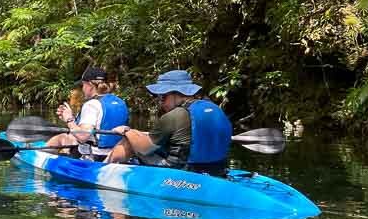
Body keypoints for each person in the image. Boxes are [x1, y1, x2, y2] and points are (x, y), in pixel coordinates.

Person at [104, 69, 233, 174]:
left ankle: (103, 170)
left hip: (181, 171)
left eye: (163, 96)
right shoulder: (216, 109)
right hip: (218, 170)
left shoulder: (174, 116)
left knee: (130, 142)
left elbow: (144, 148)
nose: (160, 102)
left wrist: (128, 132)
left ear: (176, 93)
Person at [44, 67, 129, 161]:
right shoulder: (120, 102)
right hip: (118, 153)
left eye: (83, 85)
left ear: (90, 85)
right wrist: (71, 117)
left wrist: (69, 120)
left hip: (95, 157)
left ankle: (40, 158)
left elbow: (82, 136)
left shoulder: (91, 105)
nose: (83, 89)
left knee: (61, 138)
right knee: (69, 137)